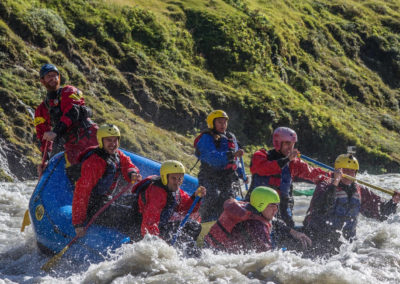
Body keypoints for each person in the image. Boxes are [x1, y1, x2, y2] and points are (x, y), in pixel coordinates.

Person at [303, 154, 400, 257]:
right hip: (319, 239)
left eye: (352, 171)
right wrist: (335, 183)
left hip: (346, 244)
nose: (350, 174)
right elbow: (322, 207)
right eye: (345, 170)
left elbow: (381, 213)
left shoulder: (359, 190)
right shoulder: (325, 185)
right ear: (338, 171)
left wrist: (394, 201)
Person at [245, 127, 329, 227]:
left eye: (292, 144)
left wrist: (331, 176)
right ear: (277, 143)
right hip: (258, 205)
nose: (290, 148)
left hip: (282, 207)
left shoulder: (293, 163)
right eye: (287, 144)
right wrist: (286, 160)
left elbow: (312, 172)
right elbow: (265, 168)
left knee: (288, 231)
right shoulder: (260, 156)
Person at [72, 124, 141, 237]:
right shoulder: (94, 162)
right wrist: (78, 223)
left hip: (107, 200)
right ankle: (132, 243)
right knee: (130, 214)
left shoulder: (117, 154)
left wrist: (132, 173)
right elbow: (82, 192)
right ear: (101, 140)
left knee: (138, 203)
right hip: (94, 208)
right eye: (109, 140)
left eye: (115, 140)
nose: (113, 144)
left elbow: (128, 164)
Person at [34, 63, 98, 182]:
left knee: (100, 164)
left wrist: (56, 132)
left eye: (55, 75)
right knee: (73, 172)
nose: (53, 78)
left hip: (90, 136)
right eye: (49, 76)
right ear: (42, 81)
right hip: (72, 145)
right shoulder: (41, 110)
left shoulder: (69, 91)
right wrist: (46, 160)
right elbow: (43, 137)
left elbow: (72, 112)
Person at [204, 186, 311, 253]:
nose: (276, 210)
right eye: (272, 206)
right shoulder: (256, 225)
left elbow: (273, 221)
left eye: (277, 206)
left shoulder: (247, 207)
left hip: (210, 246)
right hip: (220, 256)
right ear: (261, 204)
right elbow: (265, 255)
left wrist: (293, 232)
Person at [134, 160, 206, 254]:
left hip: (160, 226)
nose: (177, 182)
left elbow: (184, 209)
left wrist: (195, 197)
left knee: (194, 226)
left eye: (180, 179)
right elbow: (149, 224)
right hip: (141, 228)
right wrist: (160, 245)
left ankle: (184, 251)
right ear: (165, 177)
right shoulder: (157, 193)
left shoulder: (175, 190)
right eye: (173, 178)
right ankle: (179, 252)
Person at [194, 110, 247, 222]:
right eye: (219, 122)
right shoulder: (207, 137)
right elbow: (212, 158)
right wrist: (232, 154)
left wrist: (241, 175)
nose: (223, 125)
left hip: (226, 178)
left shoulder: (230, 137)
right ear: (212, 123)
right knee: (211, 196)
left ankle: (217, 224)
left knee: (228, 202)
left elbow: (235, 163)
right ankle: (198, 220)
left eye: (224, 122)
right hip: (209, 176)